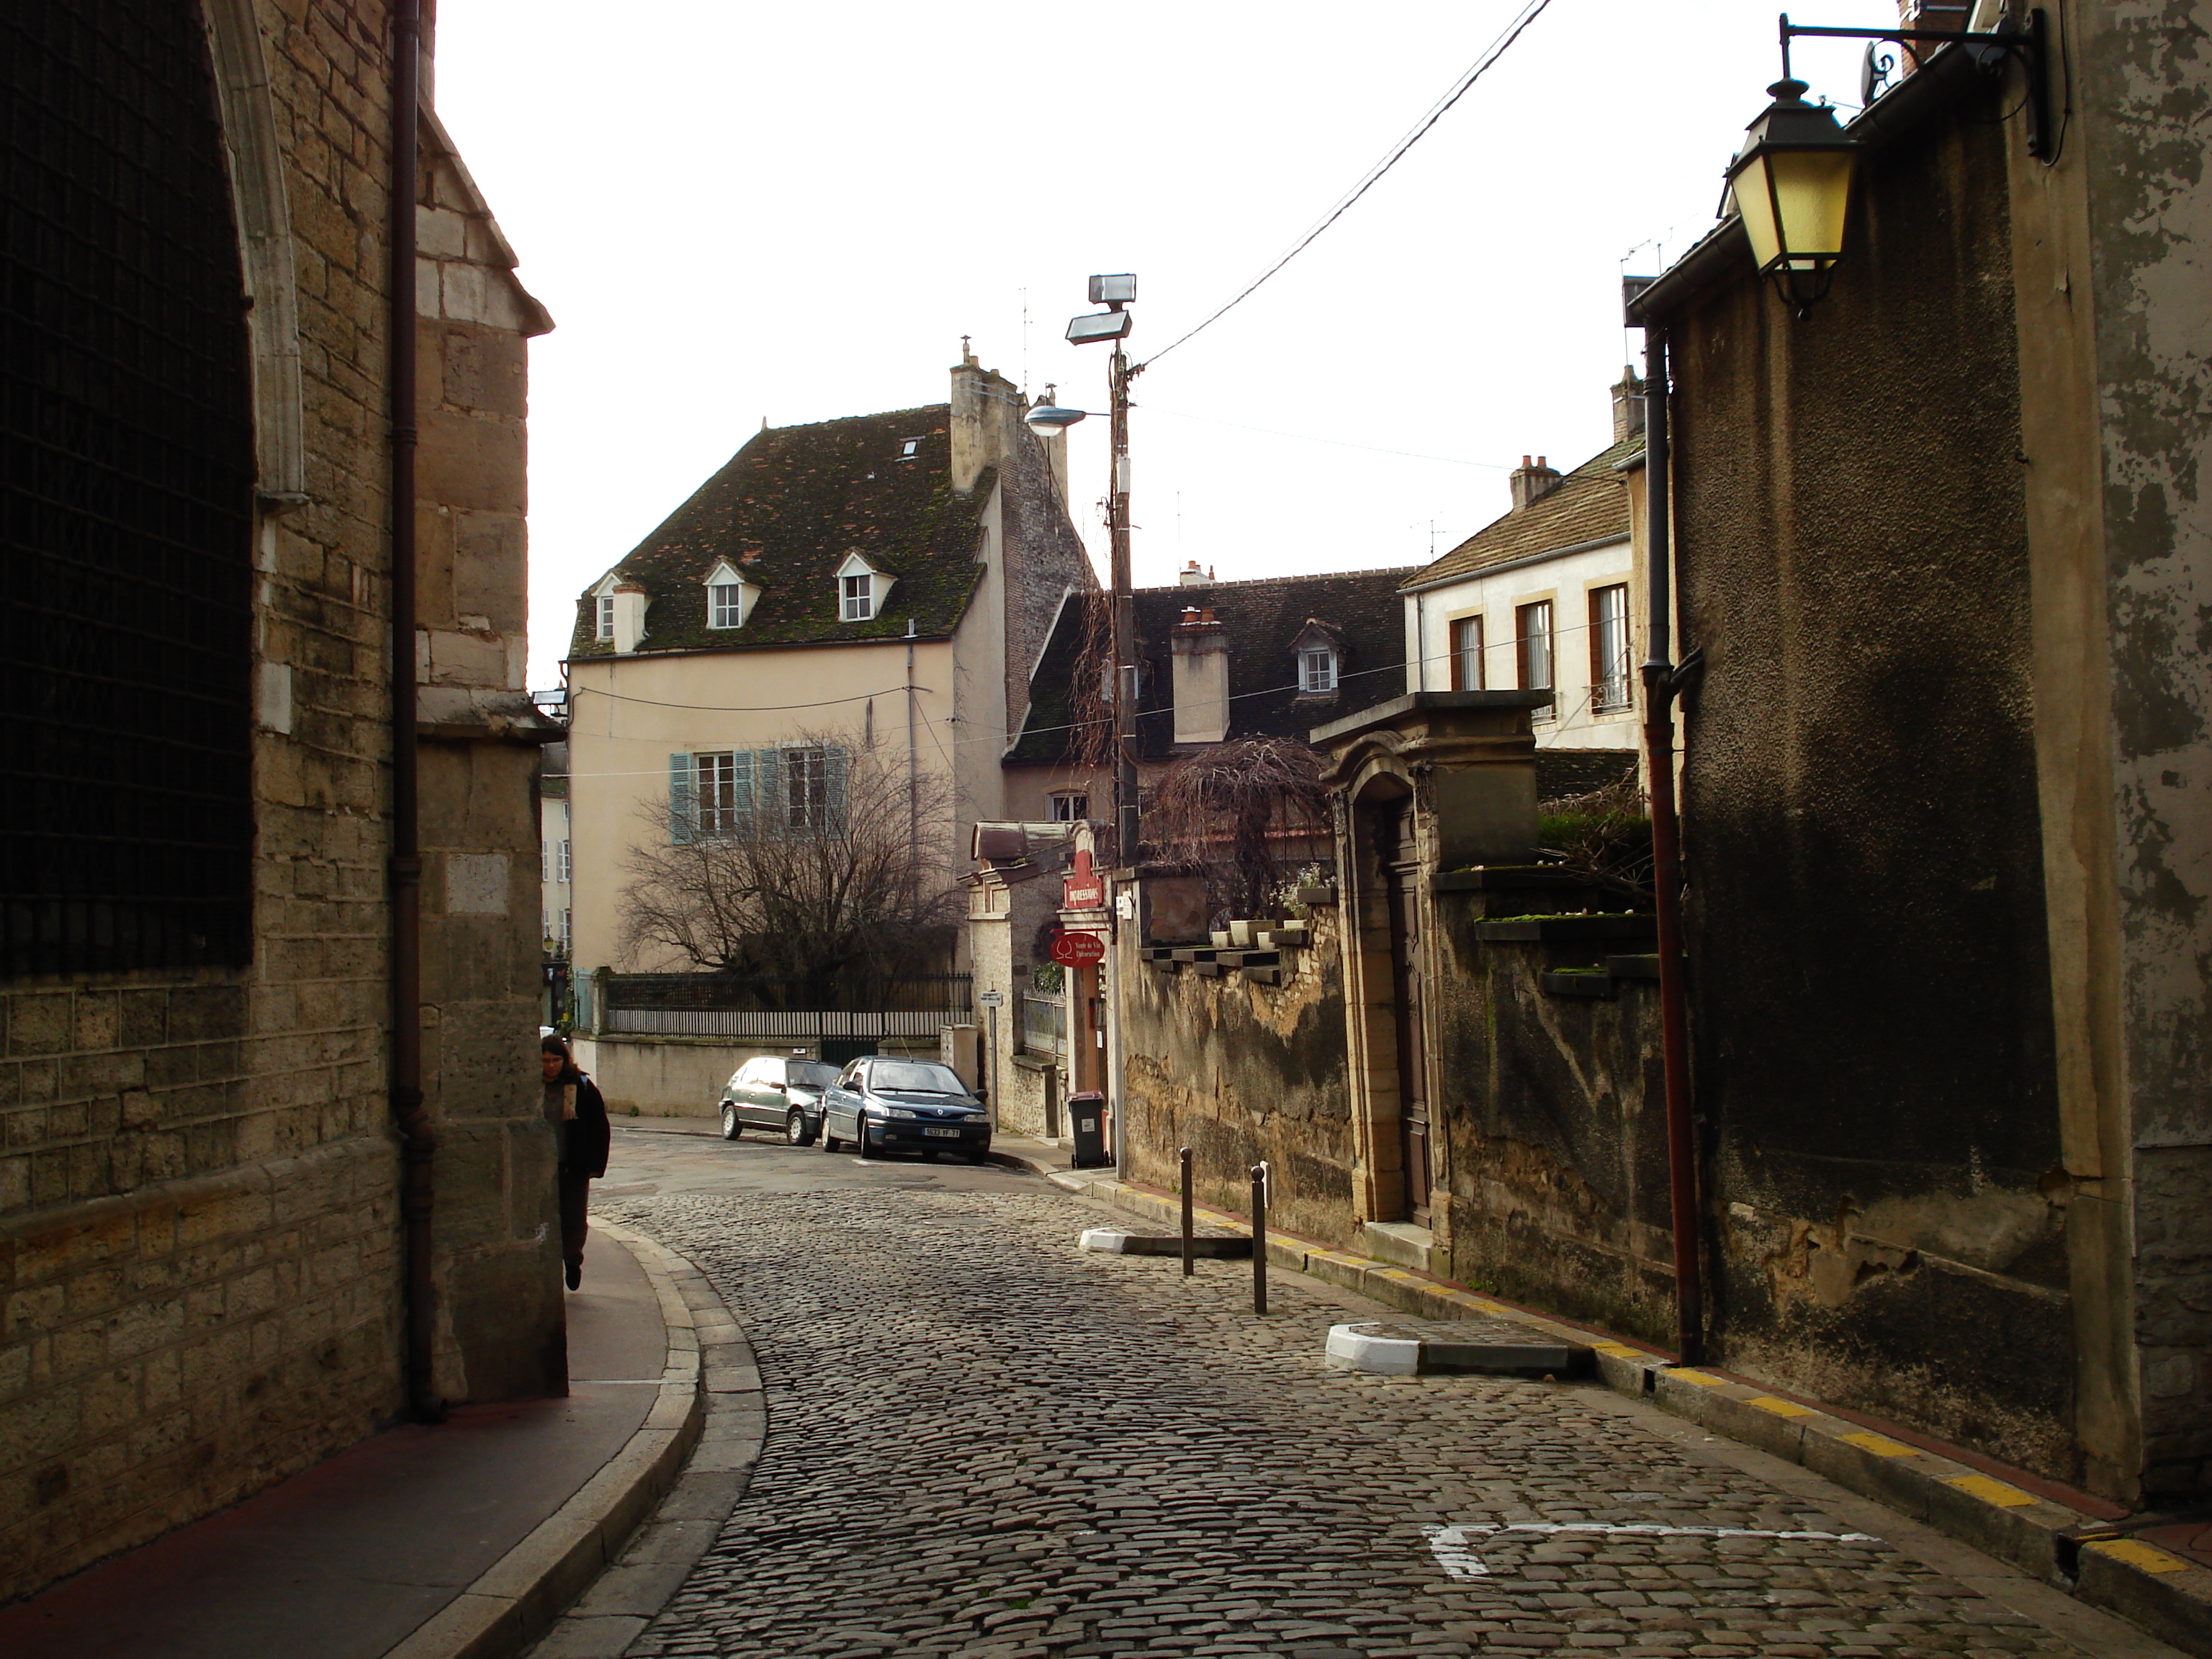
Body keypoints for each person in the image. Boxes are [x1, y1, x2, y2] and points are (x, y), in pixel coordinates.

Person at [541, 1034, 611, 1290]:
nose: (549, 1066)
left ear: (564, 1059)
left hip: (572, 1165)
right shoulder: (529, 1089)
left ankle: (572, 1260)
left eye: (555, 1060)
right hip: (539, 1167)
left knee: (573, 1219)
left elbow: (599, 1127)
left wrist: (594, 1165)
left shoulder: (580, 1086)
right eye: (544, 1060)